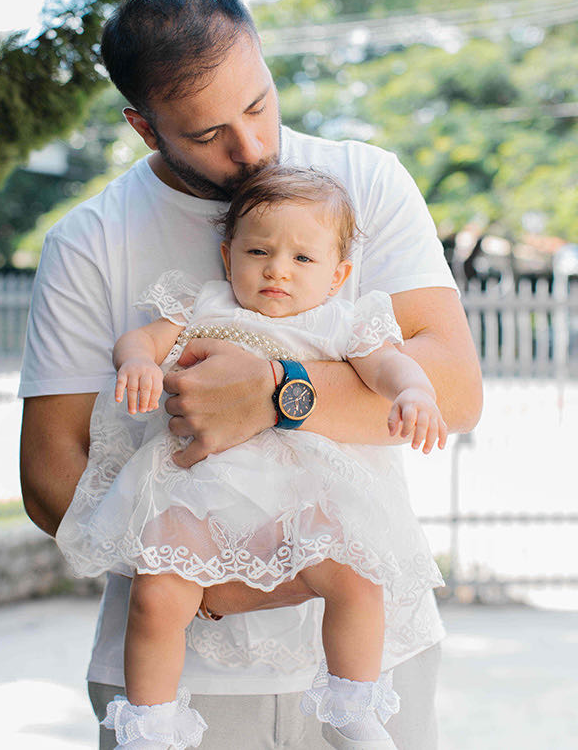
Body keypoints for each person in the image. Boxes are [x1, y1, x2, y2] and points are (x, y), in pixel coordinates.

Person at [19, 0, 483, 750]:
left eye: (259, 104)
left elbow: (455, 387)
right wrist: (213, 586)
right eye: (207, 133)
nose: (251, 146)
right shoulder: (88, 242)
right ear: (143, 125)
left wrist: (276, 391)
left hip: (375, 660)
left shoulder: (365, 184)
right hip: (174, 675)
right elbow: (48, 474)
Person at [56, 166, 448, 750]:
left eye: (303, 259)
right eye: (258, 250)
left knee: (358, 579)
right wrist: (137, 360)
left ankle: (350, 704)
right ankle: (153, 724)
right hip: (202, 492)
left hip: (301, 497)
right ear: (227, 254)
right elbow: (143, 340)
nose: (277, 269)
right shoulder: (203, 305)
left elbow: (389, 365)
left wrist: (414, 391)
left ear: (339, 274)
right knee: (157, 595)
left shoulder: (340, 322)